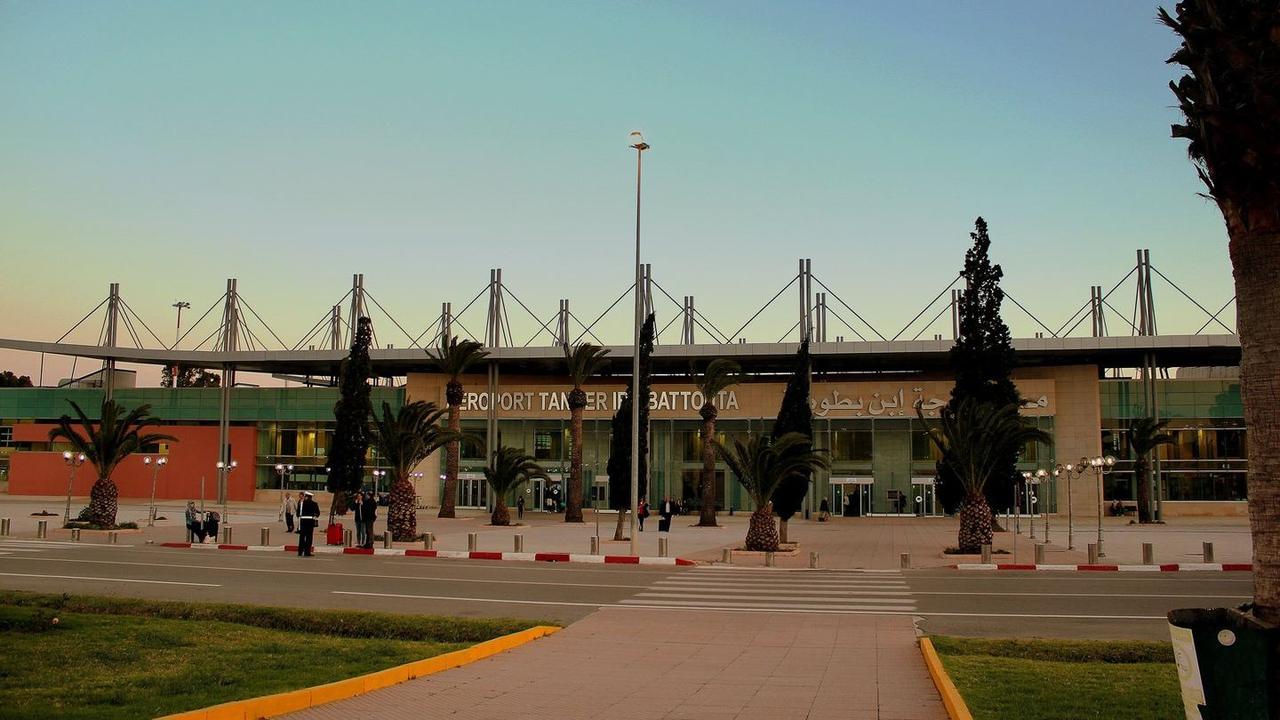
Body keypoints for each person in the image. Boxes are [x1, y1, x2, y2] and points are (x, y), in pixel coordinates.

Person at [297, 491, 320, 557]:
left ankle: (300, 552)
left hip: (303, 522)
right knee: (309, 538)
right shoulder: (314, 504)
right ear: (311, 497)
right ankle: (307, 552)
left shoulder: (301, 503)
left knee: (302, 537)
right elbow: (318, 513)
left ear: (306, 496)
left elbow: (298, 513)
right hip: (310, 523)